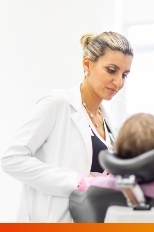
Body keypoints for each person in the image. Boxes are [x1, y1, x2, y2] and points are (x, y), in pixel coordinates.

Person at [1, 31, 134, 222]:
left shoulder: (106, 118)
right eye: (111, 70)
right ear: (87, 64)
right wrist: (76, 181)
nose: (119, 82)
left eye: (125, 74)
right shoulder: (57, 103)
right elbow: (11, 159)